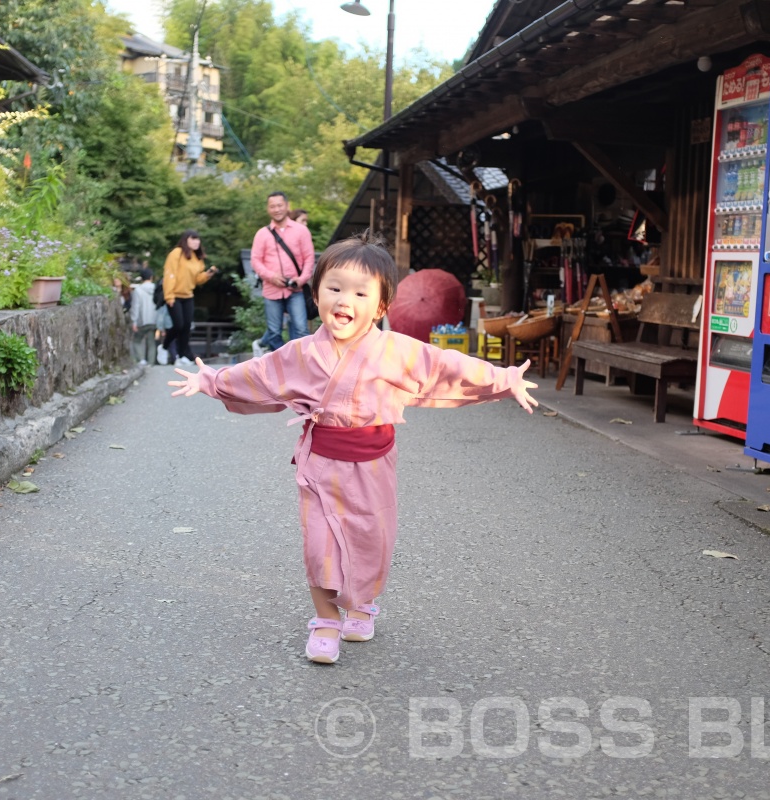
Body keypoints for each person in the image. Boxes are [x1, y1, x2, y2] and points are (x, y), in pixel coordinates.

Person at [169, 233, 538, 665]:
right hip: (321, 463)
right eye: (335, 287)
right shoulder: (301, 353)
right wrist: (211, 381)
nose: (345, 299)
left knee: (370, 540)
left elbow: (446, 366)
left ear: (382, 306)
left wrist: (504, 379)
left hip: (374, 463)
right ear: (317, 292)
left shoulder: (396, 350)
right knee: (319, 544)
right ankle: (325, 621)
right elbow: (259, 374)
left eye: (361, 292)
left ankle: (361, 604)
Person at [250, 191, 314, 357]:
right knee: (273, 332)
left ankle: (304, 365)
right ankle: (281, 367)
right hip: (271, 290)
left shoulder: (301, 231)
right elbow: (255, 260)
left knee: (301, 329)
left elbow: (309, 258)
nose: (276, 209)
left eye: (279, 205)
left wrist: (301, 279)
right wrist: (271, 276)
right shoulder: (262, 234)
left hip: (296, 290)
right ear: (268, 209)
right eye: (272, 206)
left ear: (287, 206)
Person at [160, 230, 218, 368]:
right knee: (178, 324)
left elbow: (197, 279)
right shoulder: (176, 253)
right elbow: (169, 275)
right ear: (186, 240)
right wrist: (169, 296)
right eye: (193, 239)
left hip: (188, 296)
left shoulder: (197, 258)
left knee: (186, 327)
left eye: (198, 239)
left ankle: (181, 356)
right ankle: (164, 347)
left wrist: (208, 274)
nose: (196, 242)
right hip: (174, 295)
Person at [128, 269, 159, 366]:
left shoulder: (138, 290)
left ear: (141, 278)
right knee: (151, 342)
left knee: (136, 340)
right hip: (154, 320)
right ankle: (151, 362)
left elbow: (136, 306)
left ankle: (141, 359)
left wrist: (134, 321)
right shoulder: (156, 289)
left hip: (142, 320)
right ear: (151, 277)